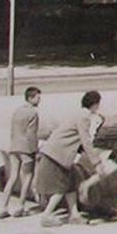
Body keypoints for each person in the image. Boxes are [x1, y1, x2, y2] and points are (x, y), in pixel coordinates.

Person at [35, 90, 104, 226]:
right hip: (59, 155)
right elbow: (86, 141)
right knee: (61, 187)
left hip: (55, 152)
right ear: (95, 105)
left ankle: (75, 215)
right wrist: (96, 162)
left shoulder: (76, 114)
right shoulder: (84, 118)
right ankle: (46, 216)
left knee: (71, 184)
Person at [0, 86, 42, 218]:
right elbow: (31, 134)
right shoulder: (33, 113)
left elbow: (13, 130)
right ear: (31, 98)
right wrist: (35, 149)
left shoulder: (17, 111)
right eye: (37, 98)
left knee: (13, 177)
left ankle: (3, 207)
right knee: (28, 177)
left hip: (14, 146)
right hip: (26, 148)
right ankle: (20, 206)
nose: (39, 100)